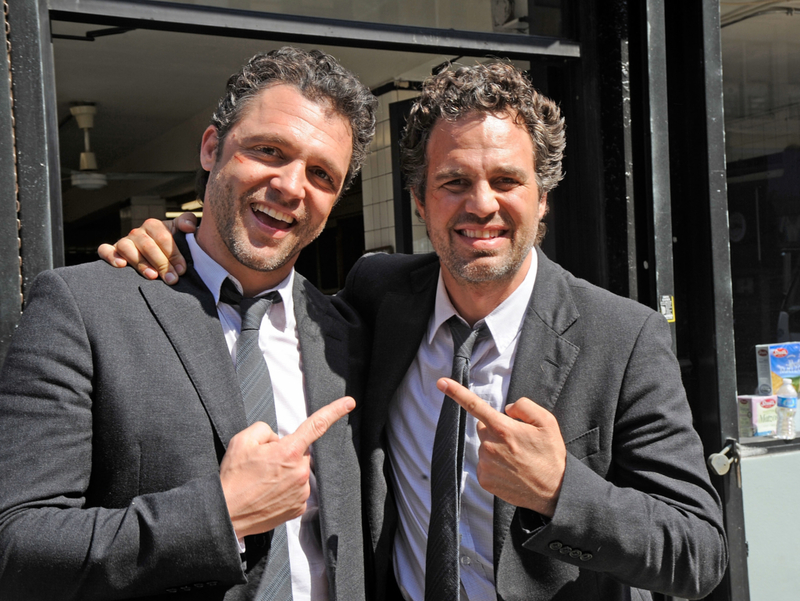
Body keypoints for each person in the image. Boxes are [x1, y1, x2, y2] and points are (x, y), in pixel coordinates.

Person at [99, 62, 728, 601]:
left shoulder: (621, 336)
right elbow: (244, 269)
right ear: (420, 201)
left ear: (542, 199)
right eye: (454, 182)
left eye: (507, 181)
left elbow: (698, 552)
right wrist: (172, 239)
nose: (481, 204)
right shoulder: (377, 297)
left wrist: (562, 491)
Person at [0, 47, 376, 601]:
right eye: (269, 150)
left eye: (321, 173)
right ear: (210, 147)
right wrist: (217, 516)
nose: (292, 186)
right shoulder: (85, 308)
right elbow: (15, 545)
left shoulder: (349, 336)